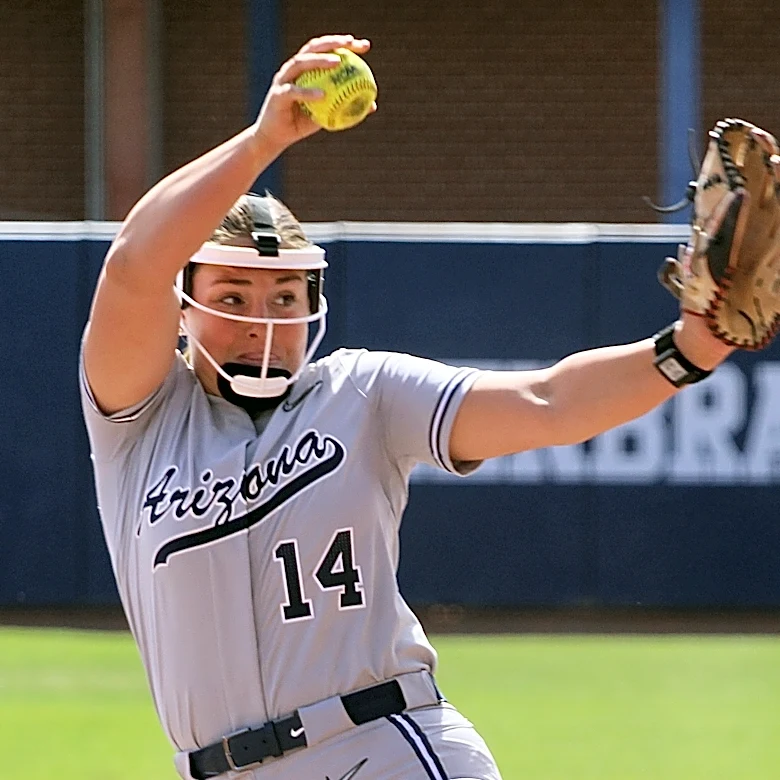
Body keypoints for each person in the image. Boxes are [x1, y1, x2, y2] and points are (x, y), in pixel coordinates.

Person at [80, 34, 734, 780]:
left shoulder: (361, 391)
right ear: (186, 307)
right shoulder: (137, 421)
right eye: (232, 296)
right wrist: (264, 141)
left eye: (284, 296)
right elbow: (134, 262)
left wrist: (685, 351)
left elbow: (546, 400)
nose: (262, 319)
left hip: (384, 746)